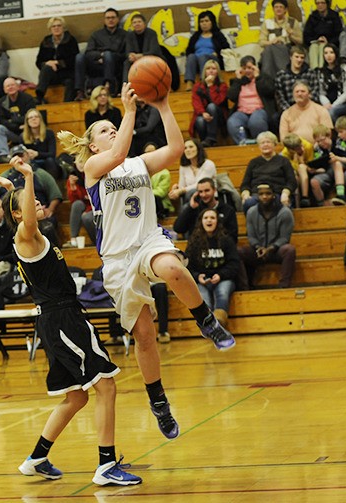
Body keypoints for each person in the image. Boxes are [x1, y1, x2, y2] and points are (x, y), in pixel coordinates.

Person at [57, 83, 235, 440]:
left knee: (171, 267)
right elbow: (119, 153)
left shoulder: (138, 163)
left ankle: (205, 321)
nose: (113, 131)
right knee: (144, 335)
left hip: (147, 241)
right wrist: (130, 111)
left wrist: (165, 106)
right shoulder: (95, 166)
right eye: (105, 130)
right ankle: (158, 401)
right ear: (93, 144)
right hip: (118, 259)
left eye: (114, 127)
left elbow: (173, 150)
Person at [0, 158, 142, 486]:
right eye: (29, 202)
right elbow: (26, 218)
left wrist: (12, 189)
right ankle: (106, 466)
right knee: (106, 386)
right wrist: (28, 175)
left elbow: (20, 211)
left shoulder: (26, 233)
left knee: (77, 396)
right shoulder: (28, 235)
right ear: (20, 215)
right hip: (64, 319)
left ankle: (37, 457)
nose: (36, 201)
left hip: (56, 320)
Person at [186, 208, 239, 327]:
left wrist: (221, 275)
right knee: (203, 298)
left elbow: (234, 264)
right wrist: (197, 276)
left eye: (212, 218)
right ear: (201, 221)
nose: (209, 220)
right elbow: (187, 265)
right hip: (202, 280)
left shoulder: (226, 240)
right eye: (206, 218)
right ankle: (208, 324)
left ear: (217, 222)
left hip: (223, 279)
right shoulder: (194, 242)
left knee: (223, 292)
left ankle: (219, 322)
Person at [0, 146, 63, 229]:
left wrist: (50, 210)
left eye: (21, 155)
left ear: (27, 155)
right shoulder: (5, 175)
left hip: (37, 214)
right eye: (15, 157)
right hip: (14, 216)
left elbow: (56, 194)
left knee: (48, 224)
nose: (19, 159)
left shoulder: (40, 173)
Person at [239, 183, 296, 289]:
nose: (264, 196)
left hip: (276, 251)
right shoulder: (251, 212)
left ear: (274, 195)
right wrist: (258, 247)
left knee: (289, 250)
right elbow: (251, 236)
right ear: (257, 196)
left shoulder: (285, 213)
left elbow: (284, 238)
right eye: (261, 194)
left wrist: (270, 248)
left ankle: (284, 286)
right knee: (239, 252)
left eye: (268, 193)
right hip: (258, 251)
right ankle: (244, 288)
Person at [74, 8, 127, 100]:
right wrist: (101, 55)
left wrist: (108, 55)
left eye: (113, 17)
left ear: (117, 19)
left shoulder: (125, 35)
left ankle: (108, 87)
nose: (110, 20)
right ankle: (80, 91)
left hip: (115, 65)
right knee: (79, 57)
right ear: (104, 20)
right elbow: (89, 52)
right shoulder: (96, 34)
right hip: (97, 63)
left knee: (108, 55)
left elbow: (126, 54)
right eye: (108, 18)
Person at [240, 131, 297, 213]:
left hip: (277, 194)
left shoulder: (283, 161)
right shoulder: (253, 162)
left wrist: (285, 193)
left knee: (281, 206)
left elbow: (292, 182)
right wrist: (245, 194)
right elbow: (245, 184)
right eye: (262, 143)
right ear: (259, 146)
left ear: (274, 144)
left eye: (268, 142)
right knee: (248, 203)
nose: (265, 145)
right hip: (257, 195)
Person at [173, 177, 239, 243]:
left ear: (214, 190)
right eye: (200, 192)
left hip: (221, 248)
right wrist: (190, 208)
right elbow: (178, 229)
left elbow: (233, 237)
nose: (203, 195)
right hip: (197, 248)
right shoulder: (194, 209)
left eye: (207, 190)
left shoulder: (228, 210)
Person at [226, 55, 274, 145]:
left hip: (259, 110)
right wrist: (237, 79)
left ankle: (260, 144)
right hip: (242, 111)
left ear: (255, 67)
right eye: (244, 68)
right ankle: (243, 144)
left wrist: (258, 77)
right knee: (232, 122)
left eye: (250, 67)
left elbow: (269, 92)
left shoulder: (264, 77)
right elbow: (231, 97)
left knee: (255, 121)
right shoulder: (238, 81)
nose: (247, 70)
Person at [35, 17, 79, 103]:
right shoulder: (45, 41)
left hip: (66, 74)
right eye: (53, 26)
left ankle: (67, 104)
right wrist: (48, 63)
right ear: (50, 29)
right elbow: (38, 62)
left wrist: (57, 63)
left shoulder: (71, 40)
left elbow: (74, 60)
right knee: (46, 67)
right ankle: (39, 97)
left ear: (63, 28)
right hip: (51, 74)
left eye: (59, 25)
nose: (56, 28)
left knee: (71, 82)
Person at [184, 10, 230, 91]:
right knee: (191, 56)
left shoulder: (218, 35)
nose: (204, 23)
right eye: (201, 21)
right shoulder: (196, 36)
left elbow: (226, 48)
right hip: (197, 61)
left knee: (203, 57)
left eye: (206, 21)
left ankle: (204, 82)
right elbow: (189, 50)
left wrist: (217, 53)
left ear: (212, 22)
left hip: (212, 59)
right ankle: (190, 82)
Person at [0, 77, 37, 164]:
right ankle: (4, 155)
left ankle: (27, 154)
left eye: (12, 85)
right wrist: (16, 124)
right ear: (4, 90)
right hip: (13, 131)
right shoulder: (1, 102)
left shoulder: (28, 98)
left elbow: (30, 115)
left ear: (18, 87)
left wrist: (12, 120)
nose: (10, 87)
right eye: (8, 86)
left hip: (26, 131)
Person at [259, 0, 303, 78]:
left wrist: (290, 35)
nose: (278, 9)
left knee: (270, 50)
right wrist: (272, 42)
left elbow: (300, 41)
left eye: (281, 7)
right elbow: (261, 42)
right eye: (276, 7)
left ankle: (268, 78)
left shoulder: (292, 22)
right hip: (271, 49)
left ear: (285, 9)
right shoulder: (267, 23)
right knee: (269, 49)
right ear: (273, 9)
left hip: (287, 49)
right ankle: (278, 76)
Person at [274, 45, 320, 117]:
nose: (299, 60)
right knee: (275, 118)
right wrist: (290, 111)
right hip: (289, 108)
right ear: (291, 57)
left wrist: (305, 108)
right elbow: (280, 97)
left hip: (307, 107)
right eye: (297, 57)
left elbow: (315, 93)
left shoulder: (310, 73)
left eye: (302, 57)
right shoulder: (281, 75)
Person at [190, 59, 228, 148]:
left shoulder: (223, 86)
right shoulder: (197, 86)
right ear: (204, 71)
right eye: (208, 68)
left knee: (212, 106)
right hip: (203, 114)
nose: (211, 70)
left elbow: (217, 102)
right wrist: (203, 113)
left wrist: (211, 86)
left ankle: (211, 138)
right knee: (199, 121)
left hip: (219, 116)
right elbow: (196, 102)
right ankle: (205, 143)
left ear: (217, 72)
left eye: (214, 69)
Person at [309, 124, 346, 205]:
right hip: (326, 172)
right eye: (318, 141)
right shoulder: (317, 149)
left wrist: (337, 158)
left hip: (341, 168)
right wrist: (314, 170)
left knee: (336, 163)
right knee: (314, 182)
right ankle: (322, 205)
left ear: (329, 136)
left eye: (322, 140)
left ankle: (341, 194)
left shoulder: (339, 142)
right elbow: (321, 168)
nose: (321, 143)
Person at [169, 138, 216, 205]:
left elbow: (200, 185)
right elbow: (182, 186)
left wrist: (181, 190)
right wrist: (176, 189)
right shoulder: (183, 167)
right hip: (189, 198)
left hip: (208, 197)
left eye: (191, 147)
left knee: (194, 192)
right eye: (185, 148)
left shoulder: (208, 164)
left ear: (198, 149)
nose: (188, 150)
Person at [20, 108, 61, 181]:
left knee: (50, 160)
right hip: (32, 162)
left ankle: (52, 184)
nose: (34, 119)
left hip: (47, 161)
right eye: (31, 118)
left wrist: (37, 154)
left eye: (36, 117)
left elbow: (52, 154)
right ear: (27, 122)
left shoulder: (48, 133)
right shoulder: (22, 136)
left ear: (40, 119)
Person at [317, 43, 346, 122]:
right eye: (326, 53)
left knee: (331, 112)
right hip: (328, 104)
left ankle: (337, 133)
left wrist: (333, 105)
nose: (328, 55)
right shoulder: (321, 71)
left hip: (345, 104)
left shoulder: (344, 68)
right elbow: (321, 93)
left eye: (331, 52)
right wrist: (326, 103)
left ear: (336, 54)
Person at [303, 0, 343, 68]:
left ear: (327, 4)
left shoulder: (334, 16)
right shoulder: (312, 16)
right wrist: (316, 40)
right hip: (315, 42)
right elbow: (306, 35)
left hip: (330, 42)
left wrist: (328, 42)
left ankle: (323, 70)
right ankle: (315, 71)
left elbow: (339, 34)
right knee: (313, 47)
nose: (320, 5)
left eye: (322, 3)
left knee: (323, 47)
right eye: (318, 3)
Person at [123, 13, 163, 82]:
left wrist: (141, 56)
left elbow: (154, 51)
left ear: (144, 23)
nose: (137, 24)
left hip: (150, 58)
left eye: (139, 22)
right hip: (135, 59)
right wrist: (130, 55)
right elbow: (128, 51)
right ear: (132, 25)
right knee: (126, 63)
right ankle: (126, 87)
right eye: (134, 22)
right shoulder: (129, 35)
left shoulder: (151, 33)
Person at [280, 133, 316, 207]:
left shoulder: (308, 146)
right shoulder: (285, 153)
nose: (300, 148)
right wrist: (295, 160)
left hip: (308, 169)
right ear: (291, 150)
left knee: (302, 167)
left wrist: (302, 160)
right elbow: (290, 168)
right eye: (297, 148)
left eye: (300, 145)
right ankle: (297, 205)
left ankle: (305, 197)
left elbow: (311, 163)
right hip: (295, 173)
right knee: (295, 177)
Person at [64, 165, 96, 248]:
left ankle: (98, 242)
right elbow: (73, 201)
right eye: (79, 161)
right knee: (77, 204)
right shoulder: (73, 177)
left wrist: (87, 211)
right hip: (85, 206)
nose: (80, 164)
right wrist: (73, 187)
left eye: (82, 161)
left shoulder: (95, 173)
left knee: (87, 218)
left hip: (96, 207)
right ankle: (73, 239)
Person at [145, 142, 174, 220]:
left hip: (161, 204)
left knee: (155, 197)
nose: (150, 155)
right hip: (145, 203)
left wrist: (144, 193)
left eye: (153, 152)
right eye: (147, 153)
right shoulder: (140, 172)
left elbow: (161, 192)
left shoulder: (164, 172)